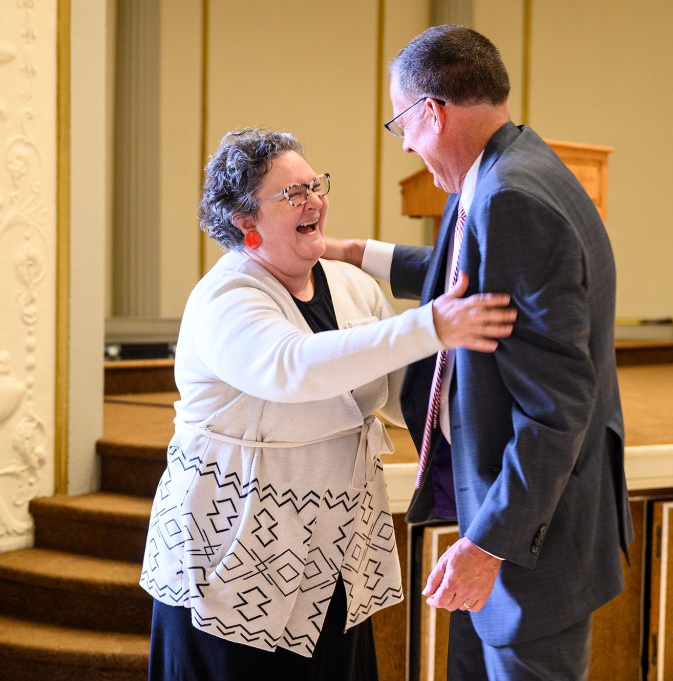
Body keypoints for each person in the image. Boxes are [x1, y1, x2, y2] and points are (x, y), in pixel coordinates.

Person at [139, 128, 516, 681]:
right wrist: (431, 324)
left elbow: (403, 386)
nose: (314, 200)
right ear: (248, 228)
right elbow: (296, 367)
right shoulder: (226, 299)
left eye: (315, 185)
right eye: (292, 194)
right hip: (234, 560)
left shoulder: (349, 285)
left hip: (331, 554)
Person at [324, 25, 634, 681]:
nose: (405, 143)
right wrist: (359, 254)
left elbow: (557, 407)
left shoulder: (511, 197)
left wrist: (488, 544)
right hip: (505, 510)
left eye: (400, 123)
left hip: (528, 535)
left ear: (431, 112)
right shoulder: (511, 165)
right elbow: (465, 275)